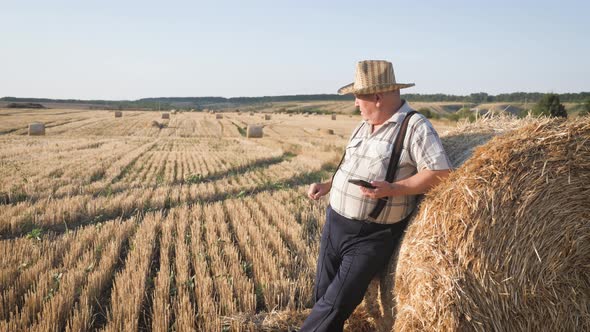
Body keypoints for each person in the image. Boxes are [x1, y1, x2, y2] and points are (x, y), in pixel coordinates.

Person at [300, 60, 452, 331]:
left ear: (377, 97)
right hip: (334, 225)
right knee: (322, 298)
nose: (356, 105)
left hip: (369, 236)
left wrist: (394, 189)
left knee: (335, 305)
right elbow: (350, 166)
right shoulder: (364, 125)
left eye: (358, 99)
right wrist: (328, 185)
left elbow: (441, 174)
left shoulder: (415, 127)